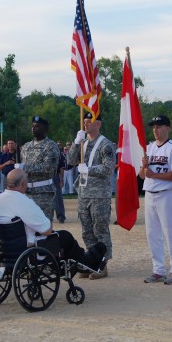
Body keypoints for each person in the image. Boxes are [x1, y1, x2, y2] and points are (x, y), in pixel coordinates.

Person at [0, 168, 106, 269]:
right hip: (26, 250)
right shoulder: (25, 202)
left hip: (1, 250)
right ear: (23, 184)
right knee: (65, 236)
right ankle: (85, 263)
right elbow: (47, 230)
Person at [67, 112, 115, 279]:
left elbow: (109, 168)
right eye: (85, 121)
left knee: (100, 229)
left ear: (98, 124)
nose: (86, 123)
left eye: (90, 121)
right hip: (83, 193)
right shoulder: (83, 143)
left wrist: (89, 169)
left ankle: (102, 265)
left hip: (99, 195)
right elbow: (70, 161)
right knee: (87, 230)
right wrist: (75, 142)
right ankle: (91, 262)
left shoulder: (105, 145)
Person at [139, 115, 172, 285]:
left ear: (167, 128)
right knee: (152, 234)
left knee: (171, 233)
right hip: (149, 194)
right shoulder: (148, 148)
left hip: (166, 194)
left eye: (159, 126)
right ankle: (158, 270)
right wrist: (144, 167)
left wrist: (154, 175)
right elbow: (141, 175)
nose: (155, 130)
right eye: (153, 127)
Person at [21, 116, 60, 222]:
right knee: (27, 226)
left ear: (45, 129)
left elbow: (49, 167)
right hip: (26, 192)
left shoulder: (51, 146)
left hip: (43, 193)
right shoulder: (26, 146)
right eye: (32, 126)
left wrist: (25, 167)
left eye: (37, 126)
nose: (34, 128)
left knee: (43, 227)